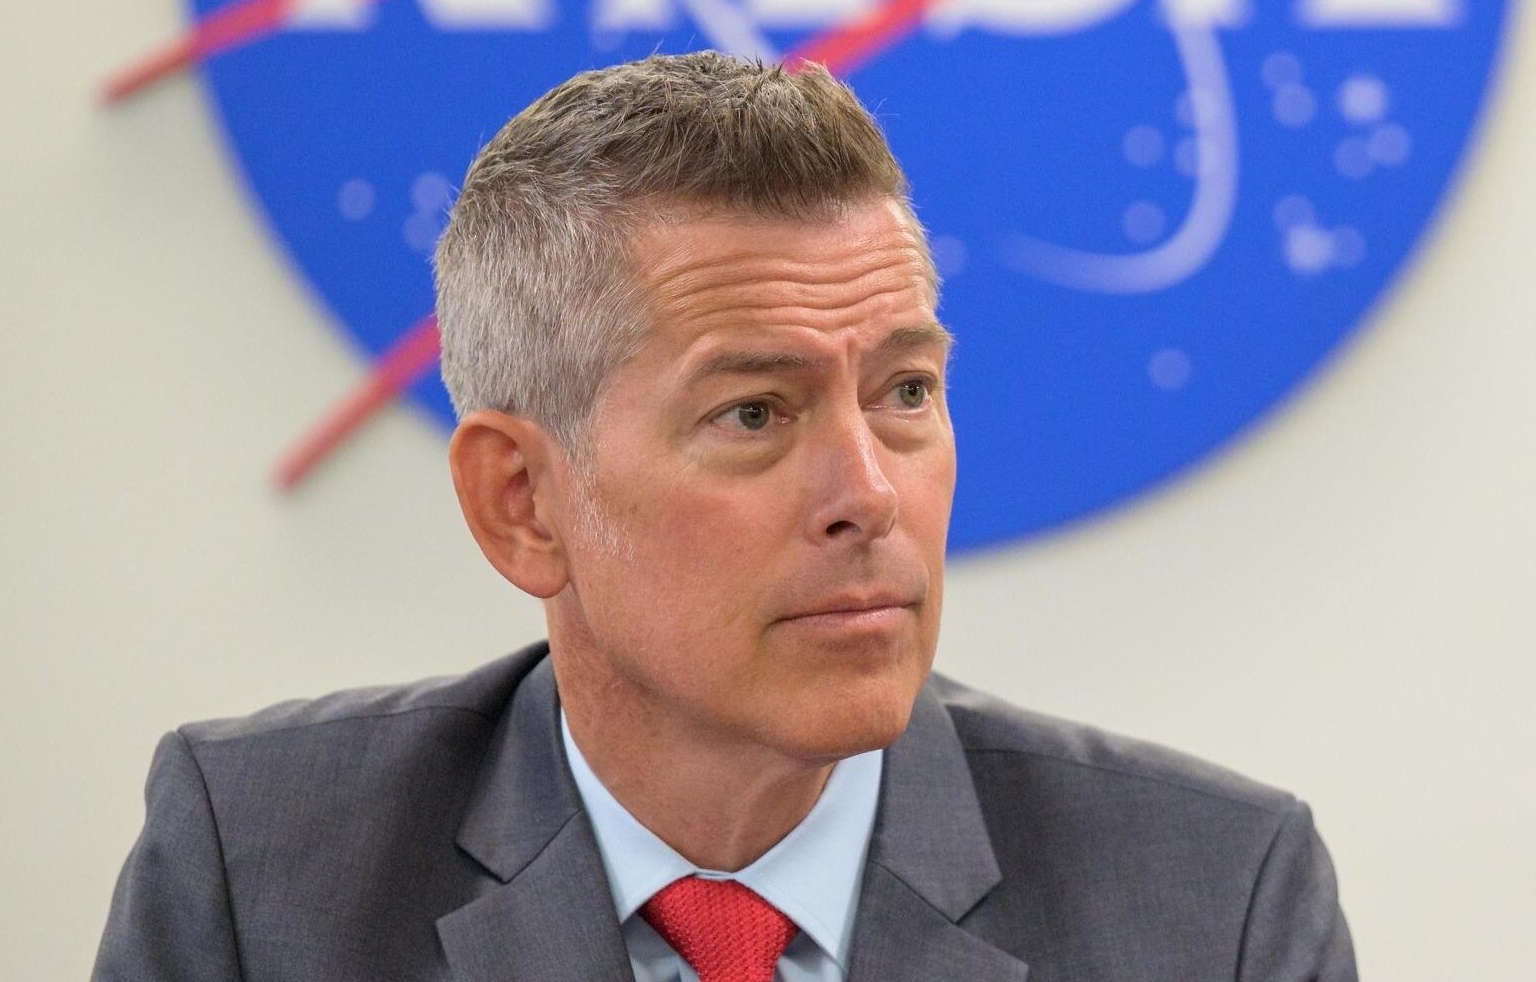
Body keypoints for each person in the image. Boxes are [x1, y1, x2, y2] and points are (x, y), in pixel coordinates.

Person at [93, 51, 1355, 982]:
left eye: (905, 392)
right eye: (755, 414)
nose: (868, 494)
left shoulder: (1215, 903)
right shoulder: (262, 871)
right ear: (523, 503)